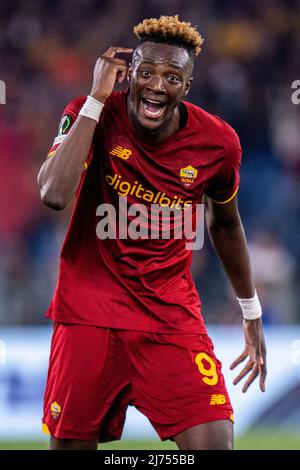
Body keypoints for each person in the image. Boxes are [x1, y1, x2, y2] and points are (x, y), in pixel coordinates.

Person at [38, 15, 266, 450]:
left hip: (170, 318)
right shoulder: (92, 114)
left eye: (171, 76)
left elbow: (226, 222)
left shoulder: (218, 144)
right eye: (145, 73)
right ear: (129, 75)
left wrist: (250, 310)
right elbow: (53, 194)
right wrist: (94, 99)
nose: (157, 86)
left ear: (187, 86)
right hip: (88, 314)